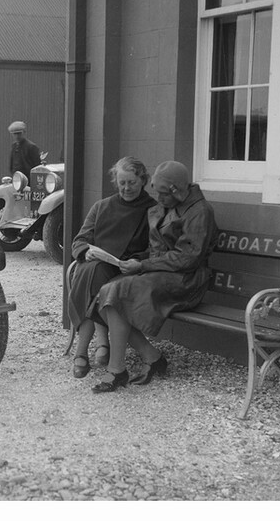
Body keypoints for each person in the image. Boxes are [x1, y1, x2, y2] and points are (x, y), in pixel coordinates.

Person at [89, 160, 219, 393]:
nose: (157, 199)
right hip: (161, 274)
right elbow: (156, 248)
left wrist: (143, 265)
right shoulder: (169, 205)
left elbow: (188, 259)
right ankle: (149, 356)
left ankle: (117, 369)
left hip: (187, 281)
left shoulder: (200, 211)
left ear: (176, 190)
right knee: (107, 292)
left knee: (118, 292)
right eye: (156, 192)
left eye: (162, 194)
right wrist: (132, 261)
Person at [67, 157, 155, 379]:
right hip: (98, 267)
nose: (126, 188)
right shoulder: (102, 206)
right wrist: (85, 250)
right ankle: (99, 346)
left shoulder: (152, 210)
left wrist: (137, 261)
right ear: (116, 182)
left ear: (143, 180)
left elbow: (156, 249)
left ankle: (83, 352)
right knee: (91, 269)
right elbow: (79, 240)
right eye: (122, 182)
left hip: (128, 272)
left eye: (132, 183)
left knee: (89, 273)